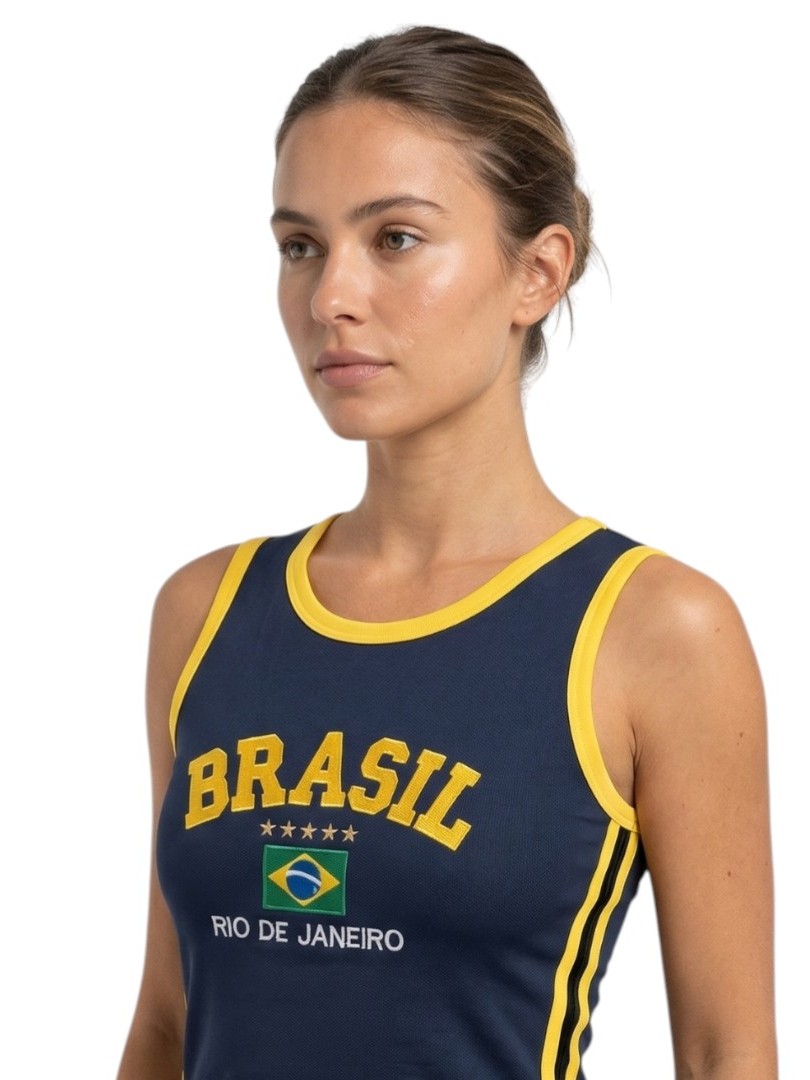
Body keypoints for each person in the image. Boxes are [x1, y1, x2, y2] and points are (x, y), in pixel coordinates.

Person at [117, 26, 777, 1080]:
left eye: (395, 239)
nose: (330, 296)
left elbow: (724, 1054)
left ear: (538, 273)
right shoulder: (205, 612)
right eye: (300, 245)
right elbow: (166, 1022)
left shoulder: (655, 631)